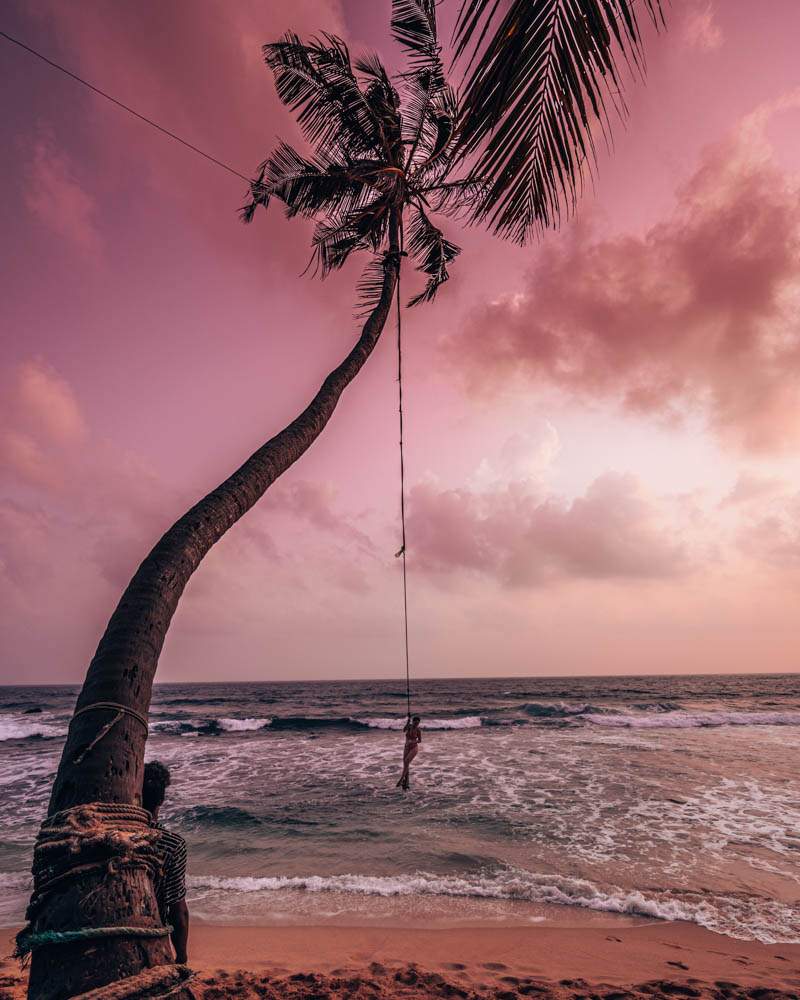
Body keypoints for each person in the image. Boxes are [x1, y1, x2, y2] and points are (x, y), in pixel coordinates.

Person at [142, 761, 189, 965]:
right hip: (151, 937)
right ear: (161, 800)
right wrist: (182, 957)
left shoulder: (106, 836)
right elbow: (178, 912)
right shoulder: (171, 844)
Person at [396, 715, 422, 790]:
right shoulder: (409, 727)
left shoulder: (418, 730)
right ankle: (406, 782)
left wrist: (413, 741)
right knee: (405, 764)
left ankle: (401, 780)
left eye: (418, 723)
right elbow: (404, 730)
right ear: (413, 722)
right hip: (406, 747)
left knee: (407, 761)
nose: (416, 724)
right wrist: (407, 722)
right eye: (415, 723)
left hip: (414, 748)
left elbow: (420, 740)